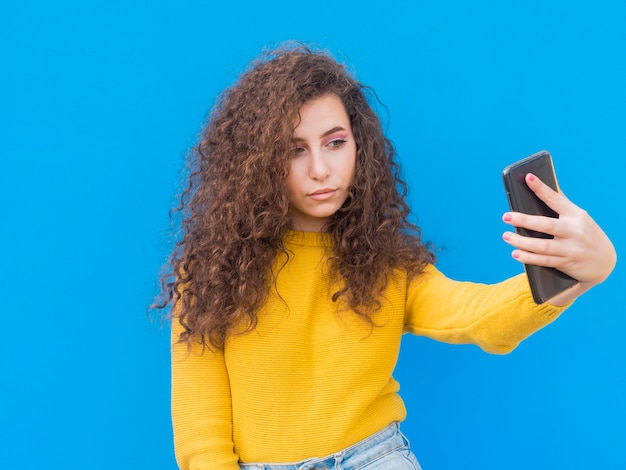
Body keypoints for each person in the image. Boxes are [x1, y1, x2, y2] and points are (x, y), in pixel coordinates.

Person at [152, 43, 616, 470]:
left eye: (335, 142)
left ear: (360, 146)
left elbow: (479, 317)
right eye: (294, 150)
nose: (320, 169)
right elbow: (202, 435)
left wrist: (572, 272)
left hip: (376, 458)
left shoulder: (386, 265)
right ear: (255, 161)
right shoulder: (210, 274)